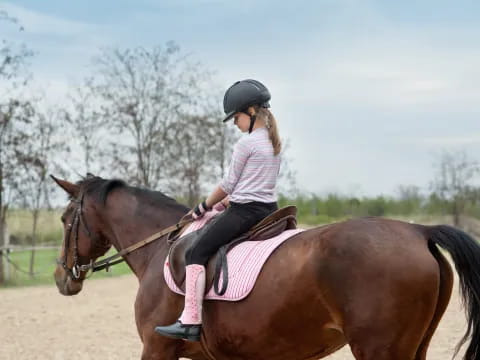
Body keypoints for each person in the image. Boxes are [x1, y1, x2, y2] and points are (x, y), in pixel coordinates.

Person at [155, 79, 282, 342]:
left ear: (250, 112)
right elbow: (254, 185)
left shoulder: (246, 144)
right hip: (270, 210)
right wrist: (225, 203)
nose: (235, 124)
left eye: (235, 117)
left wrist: (203, 206)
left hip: (245, 212)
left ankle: (190, 321)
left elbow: (228, 184)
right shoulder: (273, 142)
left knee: (195, 252)